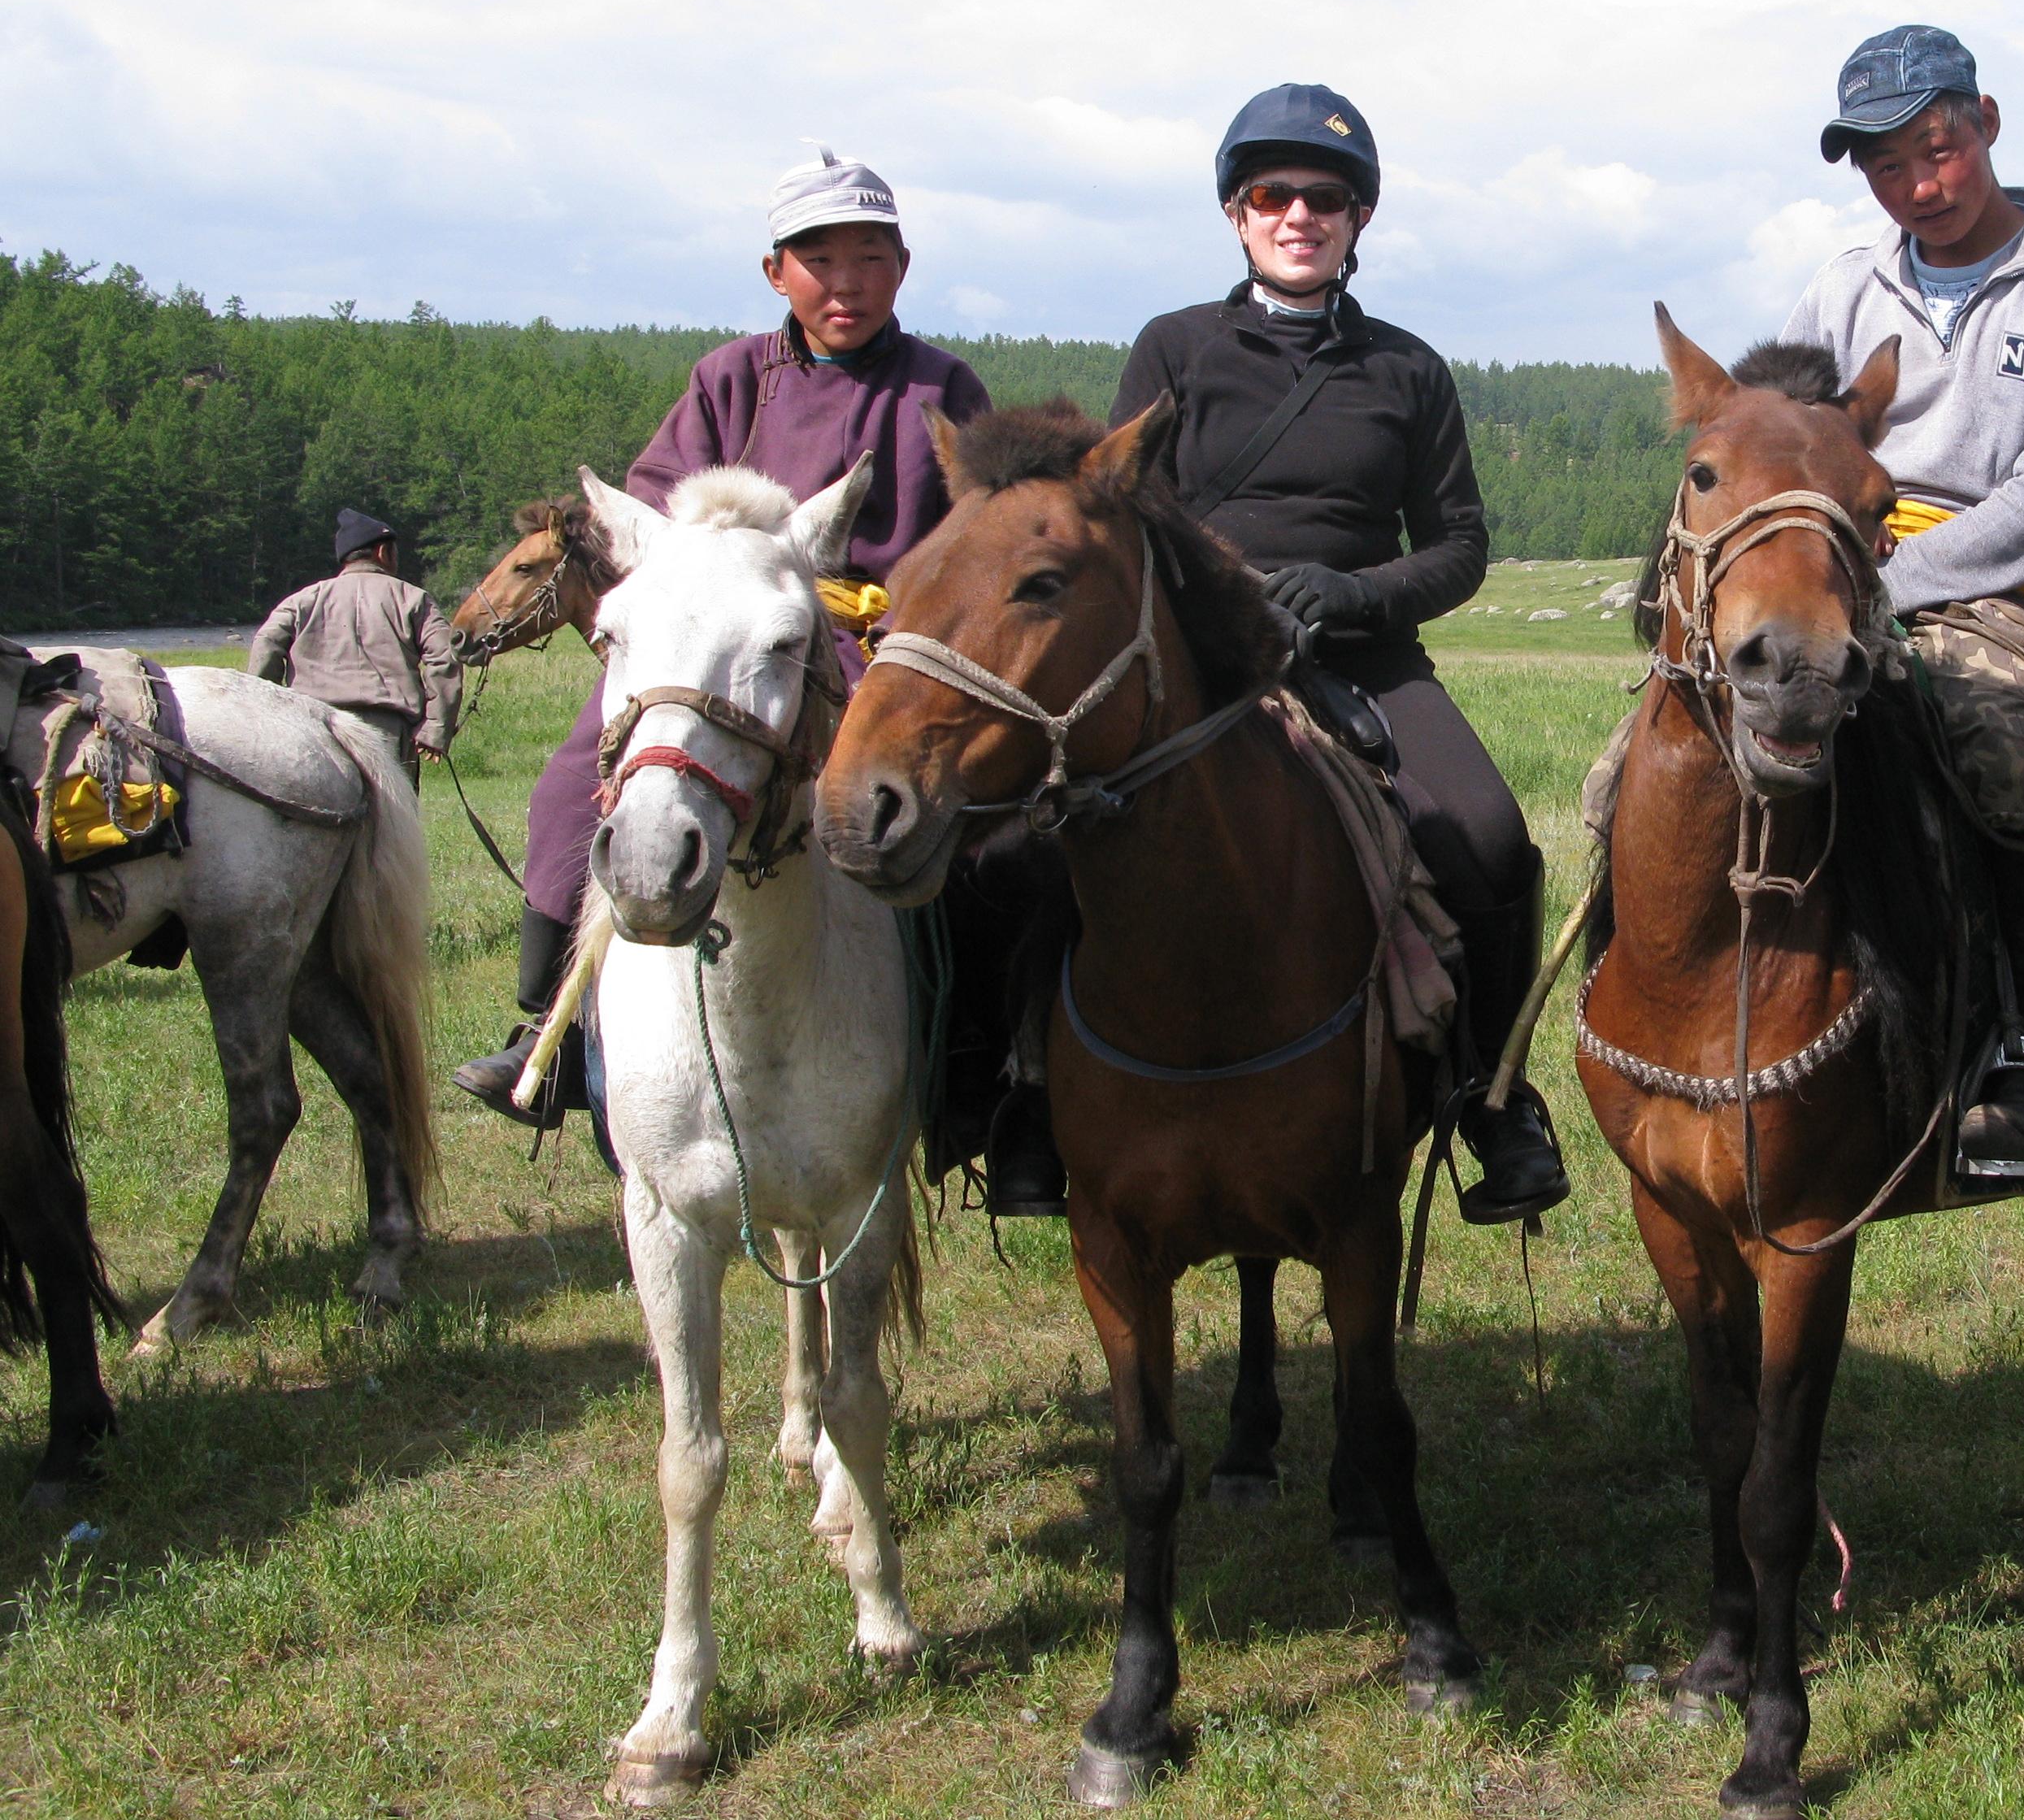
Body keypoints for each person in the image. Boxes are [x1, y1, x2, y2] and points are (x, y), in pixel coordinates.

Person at [988, 81, 1568, 1227]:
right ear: (1237, 213)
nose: (1298, 214)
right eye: (1272, 194)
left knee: (1494, 842)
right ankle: (1024, 1093)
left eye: (1326, 196)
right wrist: (1223, 595)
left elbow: (1458, 547)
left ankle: (1489, 1103)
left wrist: (1353, 590)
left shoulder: (1408, 371)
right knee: (1026, 843)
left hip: (1364, 658)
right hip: (1199, 662)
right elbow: (1119, 515)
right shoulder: (1175, 349)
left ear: (1358, 220)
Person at [450, 151, 992, 1132]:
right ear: (775, 271)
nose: (847, 280)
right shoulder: (729, 379)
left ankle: (971, 1061)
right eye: (819, 257)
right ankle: (552, 1032)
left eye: (870, 257)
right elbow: (655, 520)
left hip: (878, 653)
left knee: (968, 821)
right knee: (577, 772)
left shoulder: (942, 388)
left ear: (902, 268)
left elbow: (979, 547)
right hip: (722, 646)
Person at [1780, 25, 2024, 1182]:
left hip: (1992, 585)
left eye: (1935, 151)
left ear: (1985, 120)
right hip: (1841, 559)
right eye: (1886, 168)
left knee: (2004, 733)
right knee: (1671, 737)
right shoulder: (1843, 287)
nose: (1917, 187)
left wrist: (1896, 582)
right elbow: (1784, 434)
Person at [247, 509, 464, 784]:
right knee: (390, 824)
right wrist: (435, 728)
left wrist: (269, 714)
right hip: (387, 731)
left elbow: (267, 645)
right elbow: (444, 659)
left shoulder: (302, 600)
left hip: (314, 726)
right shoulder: (413, 598)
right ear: (384, 552)